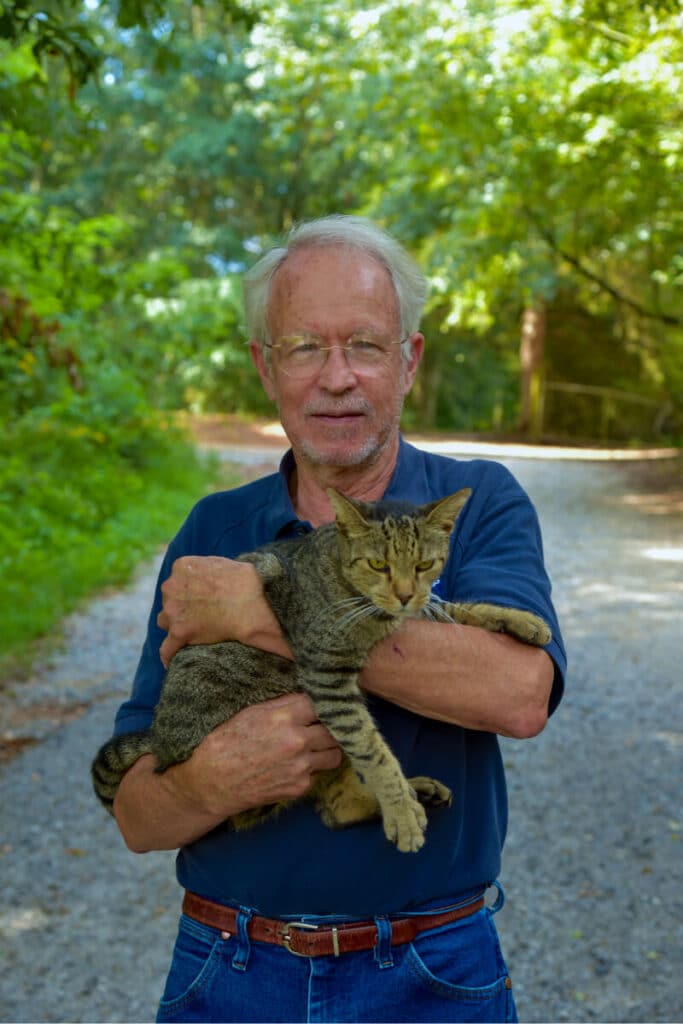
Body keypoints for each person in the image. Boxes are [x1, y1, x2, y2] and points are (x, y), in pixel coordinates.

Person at [109, 215, 566, 1023]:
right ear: (264, 367)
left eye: (363, 344)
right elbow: (139, 815)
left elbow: (518, 694)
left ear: (408, 361)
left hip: (432, 971)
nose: (336, 378)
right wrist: (208, 780)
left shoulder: (475, 502)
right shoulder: (213, 533)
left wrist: (259, 609)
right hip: (228, 967)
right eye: (303, 348)